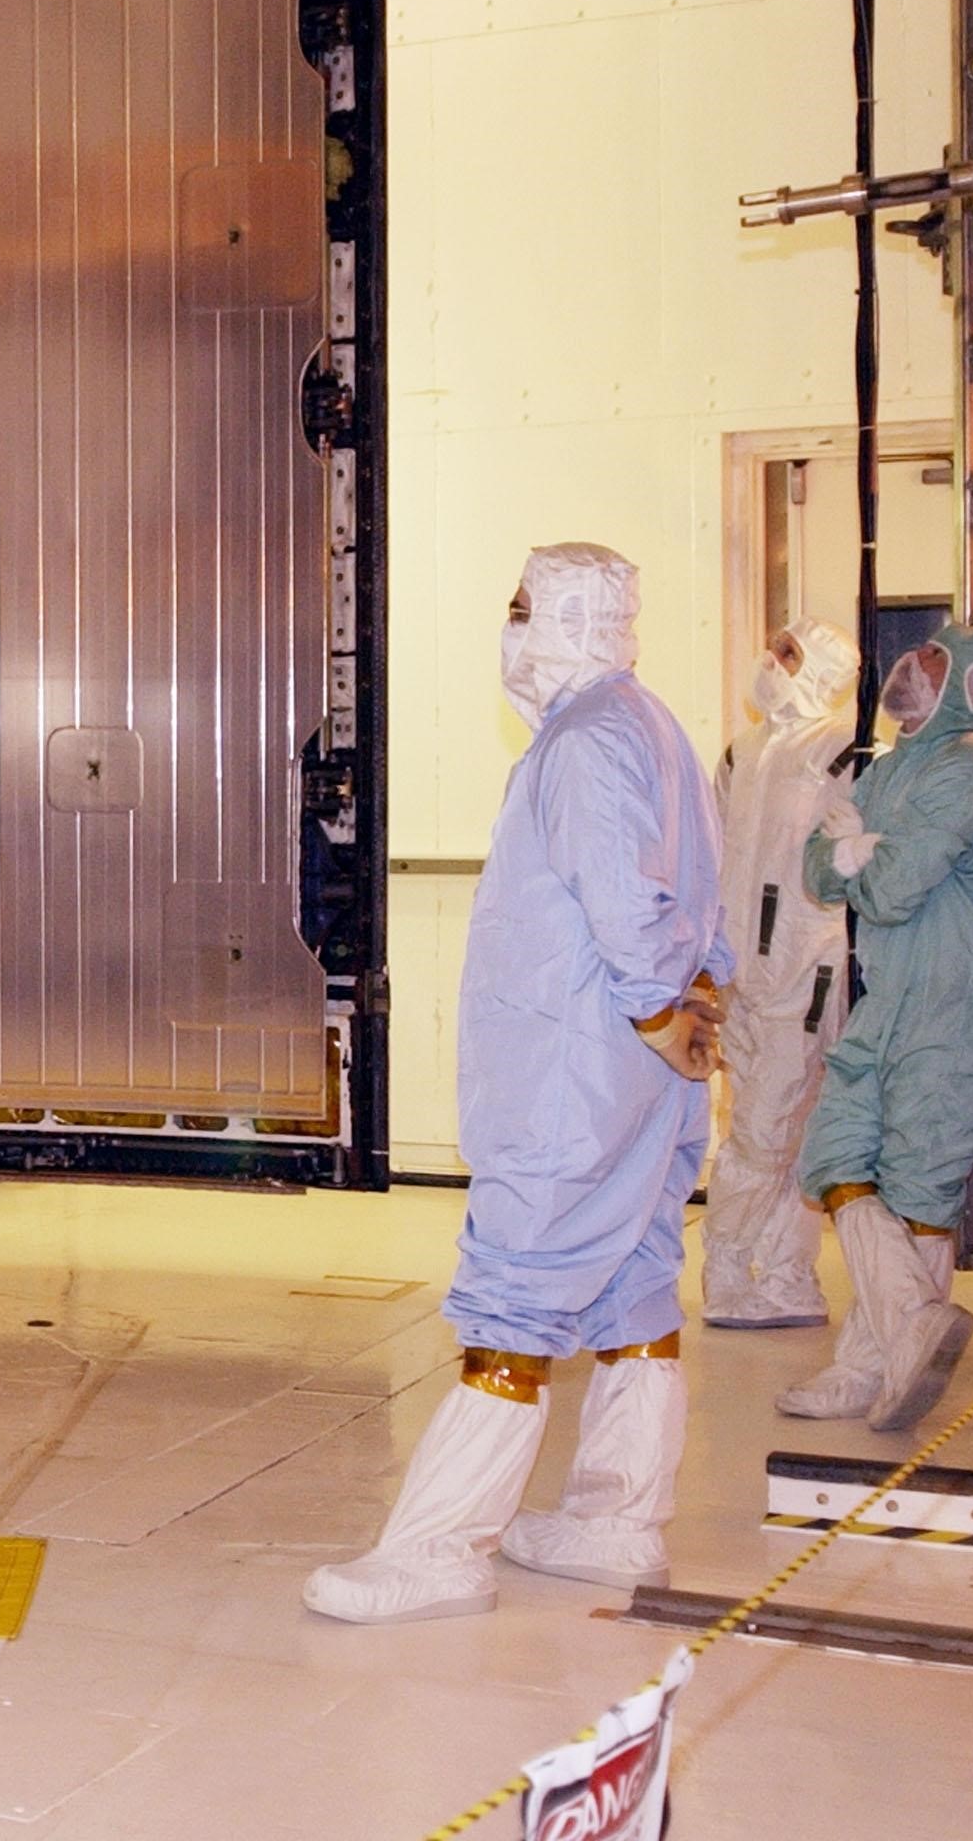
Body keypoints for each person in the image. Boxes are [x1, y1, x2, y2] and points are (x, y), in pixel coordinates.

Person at [305, 544, 731, 1625]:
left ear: (569, 619)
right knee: (635, 1282)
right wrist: (694, 1005)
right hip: (634, 1071)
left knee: (516, 1295)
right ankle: (614, 1522)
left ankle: (441, 1548)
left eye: (522, 607)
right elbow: (704, 889)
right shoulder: (651, 725)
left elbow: (623, 901)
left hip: (572, 1075)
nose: (510, 626)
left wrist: (656, 1008)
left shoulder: (584, 742)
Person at [775, 624, 973, 1432]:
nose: (913, 664)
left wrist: (855, 851)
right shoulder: (888, 768)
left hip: (958, 1007)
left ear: (970, 687)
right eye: (920, 651)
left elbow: (887, 893)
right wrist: (855, 852)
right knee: (833, 1155)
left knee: (917, 1188)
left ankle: (868, 1367)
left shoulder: (969, 769)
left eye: (936, 659)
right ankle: (911, 1322)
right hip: (888, 1001)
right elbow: (817, 872)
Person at [703, 618, 861, 1329]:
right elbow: (716, 853)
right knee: (756, 1124)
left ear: (821, 670)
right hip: (740, 971)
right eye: (773, 647)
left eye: (788, 653)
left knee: (776, 1128)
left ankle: (746, 1268)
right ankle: (771, 1277)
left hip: (804, 970)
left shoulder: (842, 749)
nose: (769, 660)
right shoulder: (743, 751)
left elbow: (852, 857)